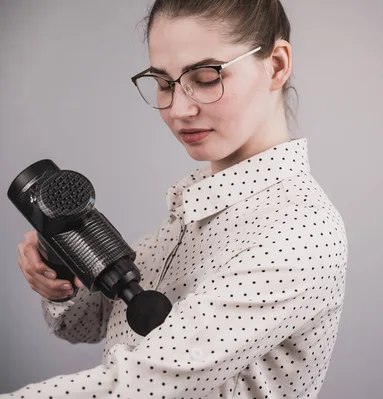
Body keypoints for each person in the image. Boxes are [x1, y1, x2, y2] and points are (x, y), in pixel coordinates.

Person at [4, 0, 347, 398]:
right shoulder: (192, 211)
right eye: (164, 83)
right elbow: (89, 325)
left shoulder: (298, 232)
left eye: (205, 77)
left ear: (276, 65)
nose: (179, 109)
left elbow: (144, 385)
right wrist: (61, 274)